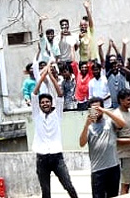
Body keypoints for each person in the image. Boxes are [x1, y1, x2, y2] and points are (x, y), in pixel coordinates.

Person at [31, 61, 80, 198]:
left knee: (68, 185)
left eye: (47, 102)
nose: (45, 104)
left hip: (57, 157)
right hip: (41, 158)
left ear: (51, 103)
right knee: (45, 191)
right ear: (39, 105)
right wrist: (42, 77)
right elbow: (34, 95)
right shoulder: (37, 115)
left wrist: (50, 75)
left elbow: (59, 95)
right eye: (42, 102)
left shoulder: (57, 114)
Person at [78, 101, 125, 198]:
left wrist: (105, 111)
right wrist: (86, 125)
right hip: (97, 170)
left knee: (113, 195)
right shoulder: (89, 127)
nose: (96, 111)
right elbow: (82, 143)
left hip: (113, 167)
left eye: (98, 108)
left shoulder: (109, 122)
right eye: (93, 109)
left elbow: (122, 124)